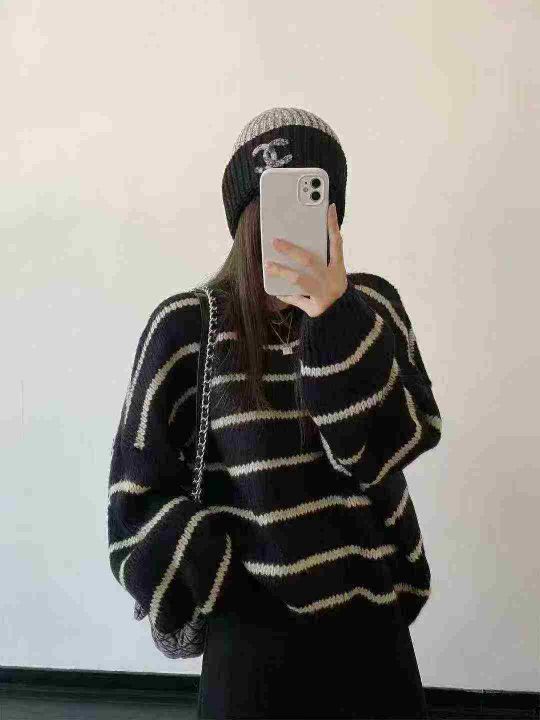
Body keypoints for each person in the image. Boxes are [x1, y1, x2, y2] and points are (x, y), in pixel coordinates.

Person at [107, 106, 442, 719]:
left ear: (334, 210)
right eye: (271, 202)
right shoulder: (187, 327)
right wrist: (223, 583)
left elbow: (392, 448)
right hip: (249, 639)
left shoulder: (373, 309)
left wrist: (335, 320)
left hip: (372, 622)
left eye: (312, 196)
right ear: (243, 214)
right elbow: (135, 498)